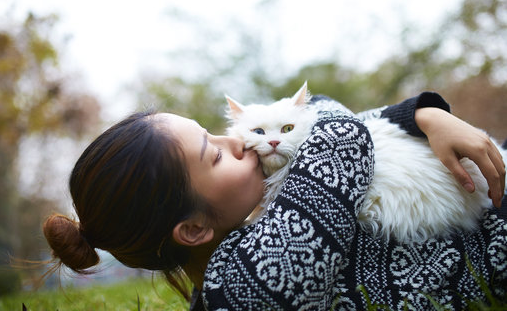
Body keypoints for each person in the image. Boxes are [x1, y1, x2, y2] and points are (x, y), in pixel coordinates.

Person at [43, 92, 506, 310]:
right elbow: (337, 135)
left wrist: (423, 115)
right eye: (214, 153)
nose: (239, 143)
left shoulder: (233, 268)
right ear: (194, 229)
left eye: (215, 132)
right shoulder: (249, 284)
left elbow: (313, 134)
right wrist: (420, 113)